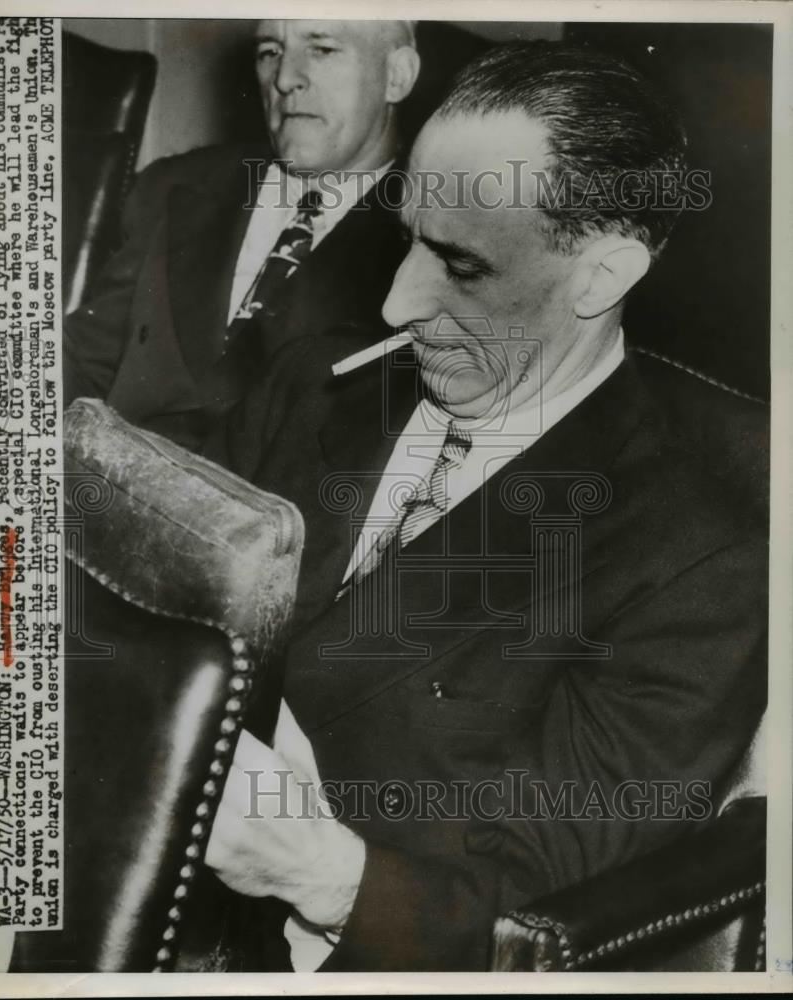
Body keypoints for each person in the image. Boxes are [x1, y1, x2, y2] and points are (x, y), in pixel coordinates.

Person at [202, 41, 767, 970]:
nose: (394, 306)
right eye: (407, 238)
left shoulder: (700, 560)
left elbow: (536, 906)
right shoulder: (322, 384)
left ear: (603, 275)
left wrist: (315, 870)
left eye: (460, 266)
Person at [63, 19, 420, 449]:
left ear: (397, 76)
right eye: (270, 51)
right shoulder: (175, 187)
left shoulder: (427, 242)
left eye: (322, 49)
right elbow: (84, 360)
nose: (285, 78)